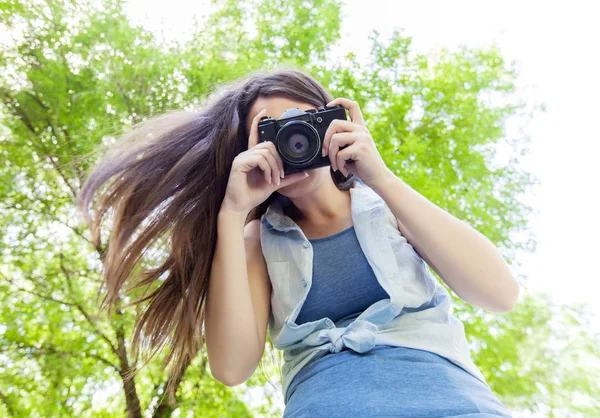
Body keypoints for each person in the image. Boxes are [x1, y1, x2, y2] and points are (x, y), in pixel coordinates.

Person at [77, 68, 518, 417]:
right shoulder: (256, 240)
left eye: (302, 124)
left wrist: (379, 175)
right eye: (270, 131)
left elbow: (499, 293)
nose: (294, 141)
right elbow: (232, 368)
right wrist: (232, 214)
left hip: (457, 405)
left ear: (333, 124)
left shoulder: (387, 206)